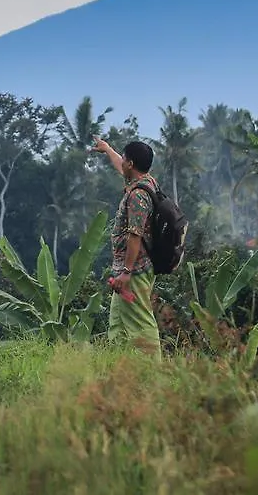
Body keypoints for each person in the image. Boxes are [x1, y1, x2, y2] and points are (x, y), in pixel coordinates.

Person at [92, 137, 161, 356]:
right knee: (118, 322)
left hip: (136, 269)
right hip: (129, 269)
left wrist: (126, 272)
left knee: (141, 319)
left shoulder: (138, 195)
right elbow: (120, 167)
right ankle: (120, 368)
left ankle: (153, 369)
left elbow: (135, 234)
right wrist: (107, 149)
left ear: (130, 163)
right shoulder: (146, 182)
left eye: (123, 158)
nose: (120, 161)